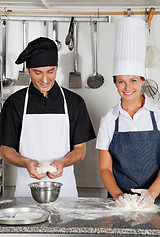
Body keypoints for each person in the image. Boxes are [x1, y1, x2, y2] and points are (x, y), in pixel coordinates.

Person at [0, 37, 96, 197]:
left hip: (66, 192)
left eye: (50, 71)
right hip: (26, 192)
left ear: (57, 68)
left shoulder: (74, 102)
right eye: (38, 72)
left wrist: (63, 162)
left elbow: (80, 150)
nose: (45, 79)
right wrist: (27, 163)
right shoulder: (14, 104)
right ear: (29, 70)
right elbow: (5, 150)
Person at [96, 17, 160, 208]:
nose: (127, 87)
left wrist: (152, 193)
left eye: (133, 80)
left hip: (157, 198)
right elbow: (105, 168)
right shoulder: (109, 119)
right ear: (115, 83)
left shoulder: (158, 113)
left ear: (142, 81)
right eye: (121, 81)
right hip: (120, 203)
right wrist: (118, 196)